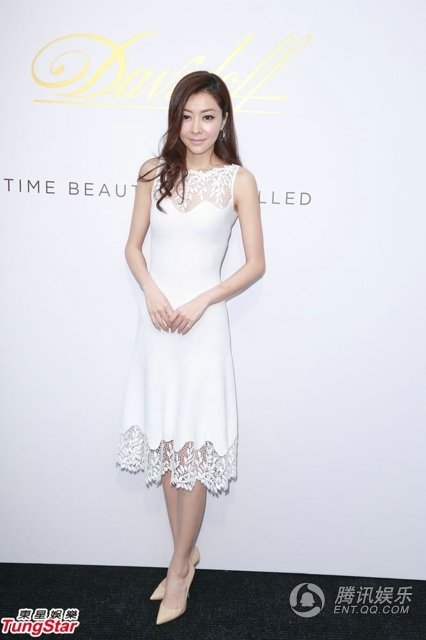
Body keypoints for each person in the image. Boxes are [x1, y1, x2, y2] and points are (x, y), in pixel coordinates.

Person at [116, 70, 265, 625]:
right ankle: (185, 553)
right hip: (157, 325)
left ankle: (179, 567)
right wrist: (152, 293)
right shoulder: (152, 172)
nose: (196, 127)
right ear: (174, 119)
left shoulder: (238, 180)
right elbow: (133, 248)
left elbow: (255, 264)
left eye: (207, 116)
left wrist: (202, 300)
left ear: (224, 120)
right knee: (165, 440)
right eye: (186, 116)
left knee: (194, 448)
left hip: (203, 328)